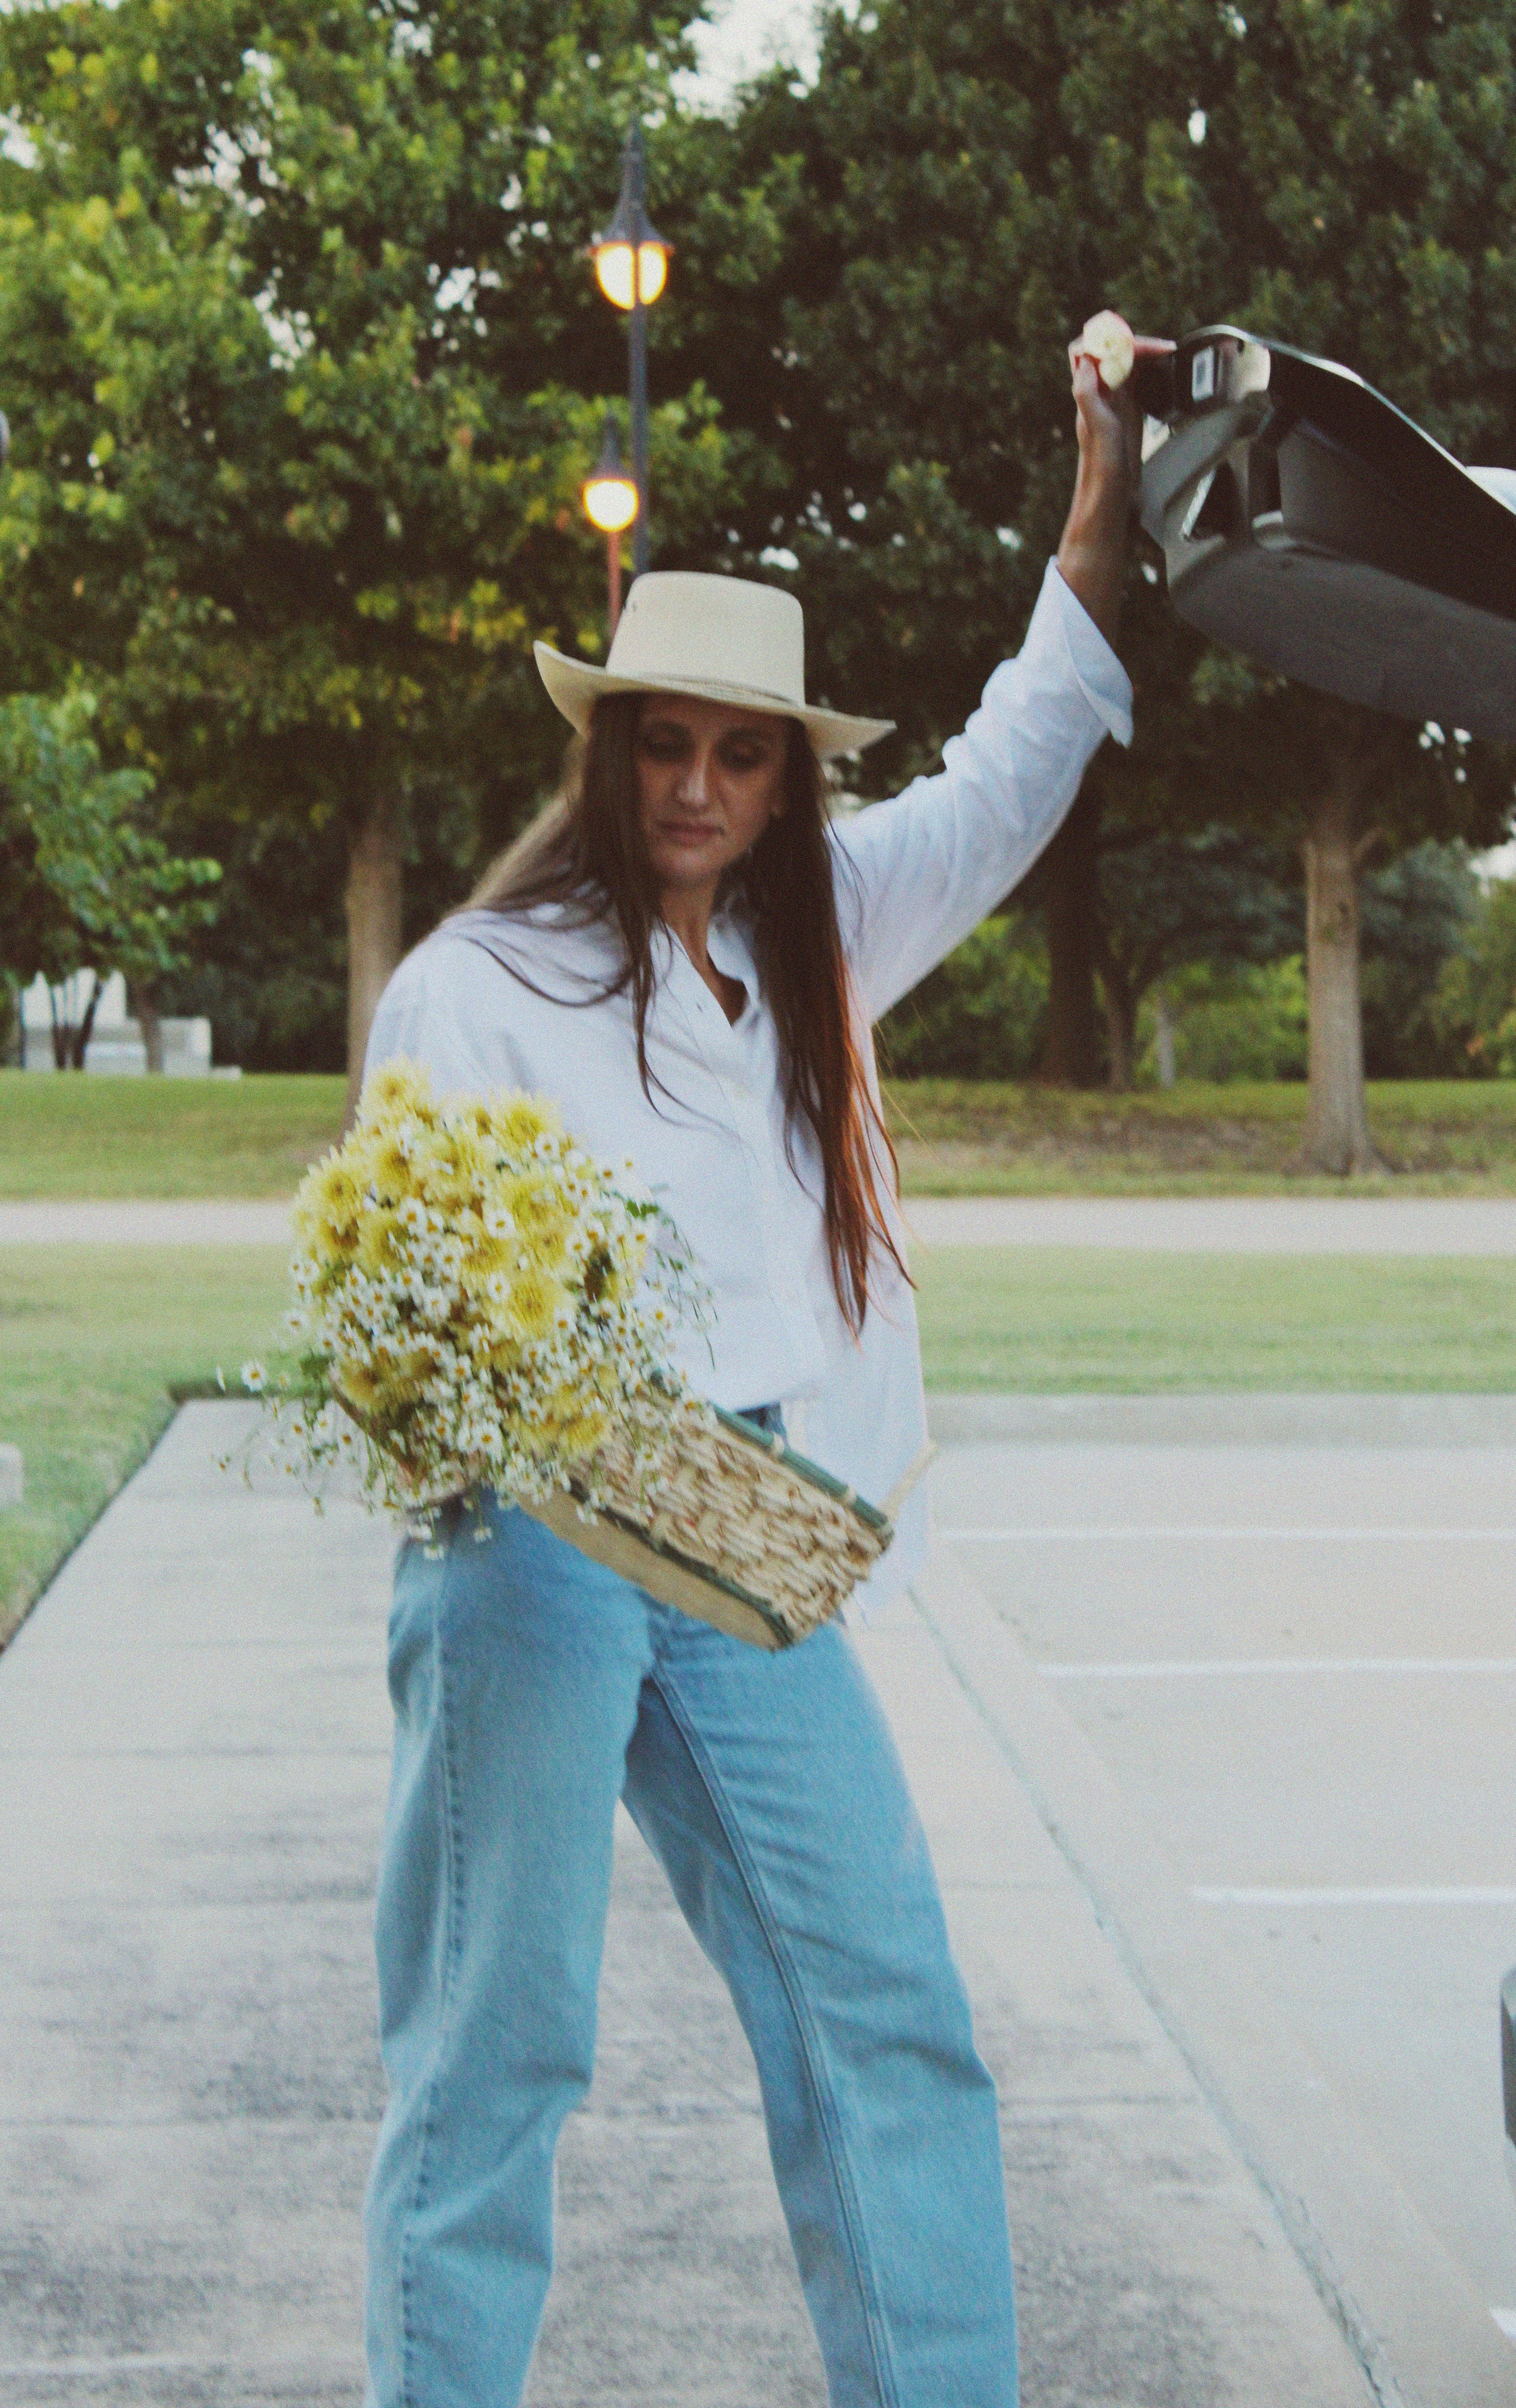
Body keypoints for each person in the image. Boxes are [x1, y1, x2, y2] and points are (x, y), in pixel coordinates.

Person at [360, 329, 1164, 2408]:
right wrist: (484, 1436)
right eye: (666, 747)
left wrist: (1098, 503)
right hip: (532, 1533)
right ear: (608, 754)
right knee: (499, 2050)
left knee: (887, 2010)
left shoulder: (823, 940)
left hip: (743, 1525)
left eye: (742, 753)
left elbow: (1012, 768)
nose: (699, 789)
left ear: (792, 776)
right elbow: (395, 1321)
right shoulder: (483, 984)